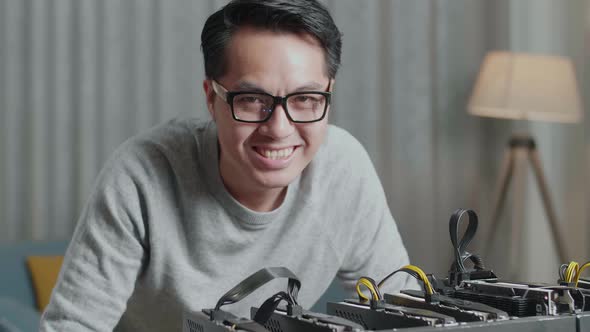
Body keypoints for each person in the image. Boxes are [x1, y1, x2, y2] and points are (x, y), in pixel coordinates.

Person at [40, 0, 415, 330]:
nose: (279, 129)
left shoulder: (344, 170)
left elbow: (403, 312)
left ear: (328, 95)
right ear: (211, 98)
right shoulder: (142, 175)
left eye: (305, 98)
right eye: (252, 100)